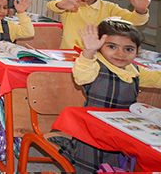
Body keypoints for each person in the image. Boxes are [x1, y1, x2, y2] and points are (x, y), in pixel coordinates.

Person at [67, 19, 161, 172]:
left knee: (115, 166)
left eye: (128, 49)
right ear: (100, 46)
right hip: (92, 133)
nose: (120, 54)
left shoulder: (134, 71)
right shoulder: (94, 65)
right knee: (89, 167)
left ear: (138, 51)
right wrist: (88, 52)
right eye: (112, 47)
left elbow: (158, 79)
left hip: (120, 132)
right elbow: (81, 77)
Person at [47, 0, 150, 49]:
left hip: (97, 55)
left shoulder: (109, 7)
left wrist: (141, 10)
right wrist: (60, 5)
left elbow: (134, 21)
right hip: (69, 52)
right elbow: (51, 5)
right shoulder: (70, 4)